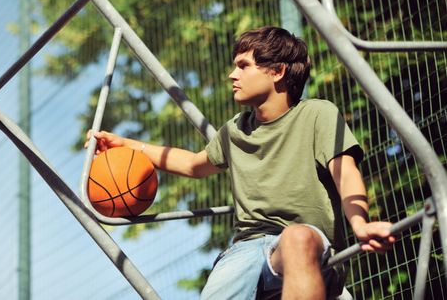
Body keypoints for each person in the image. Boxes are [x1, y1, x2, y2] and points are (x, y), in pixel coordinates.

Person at [87, 26, 395, 299]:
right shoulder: (236, 129)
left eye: (243, 66)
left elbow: (345, 172)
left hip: (312, 247)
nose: (232, 75)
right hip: (248, 250)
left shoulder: (317, 115)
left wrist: (360, 224)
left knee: (298, 237)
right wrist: (125, 144)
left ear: (277, 72)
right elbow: (194, 164)